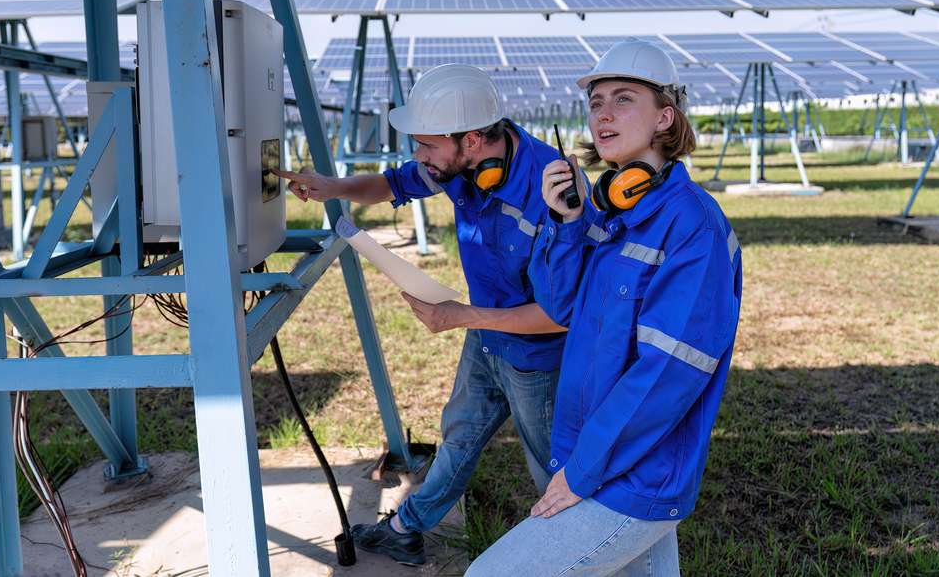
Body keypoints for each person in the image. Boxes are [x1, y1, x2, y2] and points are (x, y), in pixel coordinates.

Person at [466, 40, 743, 576]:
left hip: (633, 472)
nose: (603, 114)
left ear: (665, 117)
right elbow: (562, 304)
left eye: (623, 99)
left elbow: (668, 371)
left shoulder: (693, 226)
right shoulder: (609, 215)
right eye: (595, 103)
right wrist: (566, 224)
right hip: (601, 456)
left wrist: (581, 471)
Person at [273, 63, 566, 567]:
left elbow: (561, 315)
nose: (418, 156)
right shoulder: (452, 166)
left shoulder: (550, 194)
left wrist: (459, 316)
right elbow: (390, 184)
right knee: (460, 433)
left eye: (427, 145)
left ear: (472, 140)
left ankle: (576, 553)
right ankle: (407, 528)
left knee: (556, 471)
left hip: (538, 354)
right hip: (486, 332)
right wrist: (333, 186)